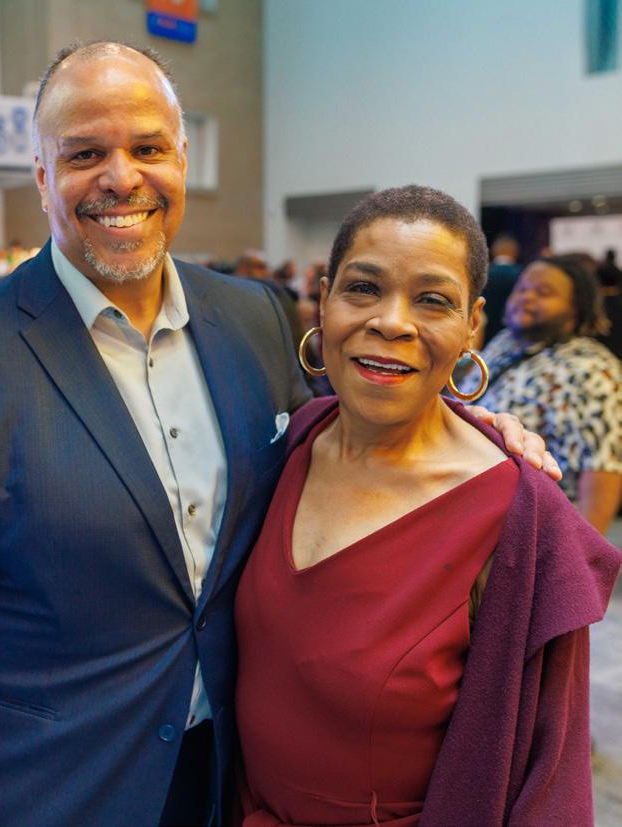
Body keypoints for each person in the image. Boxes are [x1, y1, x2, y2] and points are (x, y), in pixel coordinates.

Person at [0, 44, 555, 827]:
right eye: (85, 154)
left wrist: (471, 426)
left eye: (147, 148)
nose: (121, 178)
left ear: (182, 159)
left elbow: (342, 439)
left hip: (233, 779)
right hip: (61, 789)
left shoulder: (250, 316)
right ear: (42, 175)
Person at [235, 186, 620, 827]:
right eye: (363, 288)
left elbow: (550, 782)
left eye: (432, 300)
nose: (392, 322)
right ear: (324, 300)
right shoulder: (295, 438)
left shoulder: (516, 516)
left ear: (472, 324)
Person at [465, 255, 622, 535]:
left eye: (543, 292)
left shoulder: (593, 370)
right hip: (473, 518)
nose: (526, 297)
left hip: (537, 534)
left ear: (575, 308)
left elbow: (603, 472)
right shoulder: (505, 342)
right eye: (522, 288)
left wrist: (581, 558)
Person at [480, 233, 522, 345]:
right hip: (514, 335)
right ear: (515, 251)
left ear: (494, 251)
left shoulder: (482, 275)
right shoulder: (523, 275)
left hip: (484, 336)